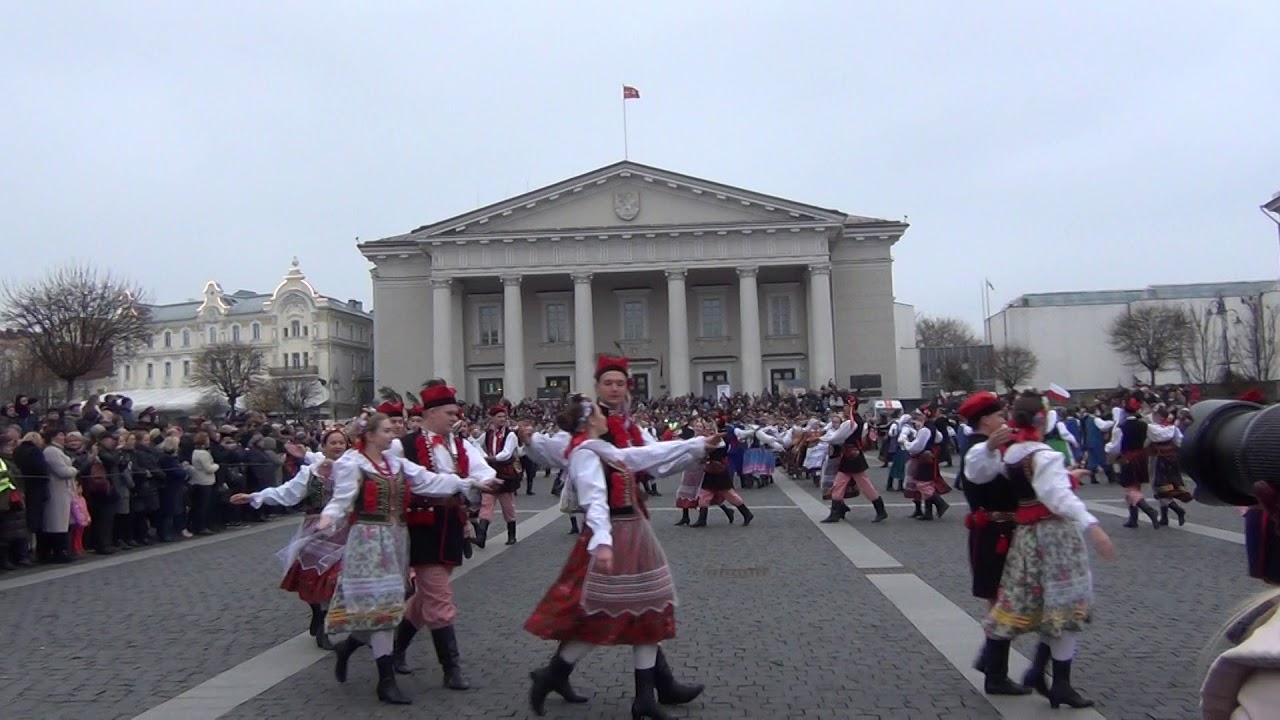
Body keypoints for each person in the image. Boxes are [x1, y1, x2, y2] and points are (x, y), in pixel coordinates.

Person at [523, 395, 716, 719]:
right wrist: (602, 541)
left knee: (647, 611)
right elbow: (595, 498)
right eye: (599, 412)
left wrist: (697, 445)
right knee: (607, 615)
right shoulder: (586, 454)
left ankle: (637, 696)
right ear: (588, 421)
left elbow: (642, 454)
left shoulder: (602, 449)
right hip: (617, 536)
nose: (605, 415)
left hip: (632, 533)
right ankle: (555, 674)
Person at [319, 412, 500, 705]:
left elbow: (430, 481)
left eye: (393, 430)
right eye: (388, 430)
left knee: (387, 606)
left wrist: (469, 484)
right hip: (367, 542)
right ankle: (386, 681)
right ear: (370, 435)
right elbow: (342, 499)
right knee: (384, 609)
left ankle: (350, 648)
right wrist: (328, 518)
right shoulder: (351, 463)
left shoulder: (396, 463)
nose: (394, 434)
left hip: (395, 540)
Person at [984, 391, 1116, 710]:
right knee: (1066, 609)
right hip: (1056, 538)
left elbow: (1039, 488)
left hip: (1027, 536)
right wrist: (1092, 525)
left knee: (1049, 609)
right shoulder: (1045, 454)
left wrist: (1067, 478)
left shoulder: (1013, 453)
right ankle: (1061, 684)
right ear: (1042, 420)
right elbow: (1057, 497)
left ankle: (1042, 675)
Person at [392, 382, 498, 690]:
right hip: (421, 524)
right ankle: (451, 668)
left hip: (451, 522)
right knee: (438, 596)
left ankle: (395, 650)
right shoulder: (404, 445)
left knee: (426, 595)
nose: (456, 417)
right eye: (450, 413)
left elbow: (481, 469)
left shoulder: (459, 444)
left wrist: (488, 481)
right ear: (432, 412)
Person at [231, 426, 349, 650]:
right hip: (317, 531)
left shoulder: (353, 470)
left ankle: (327, 619)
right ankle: (319, 614)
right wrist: (255, 497)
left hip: (345, 530)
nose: (337, 446)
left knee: (338, 578)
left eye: (341, 443)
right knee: (316, 576)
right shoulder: (310, 472)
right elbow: (286, 492)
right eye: (332, 442)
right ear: (323, 447)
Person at [955, 391, 1027, 696]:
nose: (1004, 420)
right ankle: (996, 674)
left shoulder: (994, 448)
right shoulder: (977, 450)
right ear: (985, 419)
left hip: (1005, 531)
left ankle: (990, 660)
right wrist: (989, 446)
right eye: (999, 415)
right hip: (993, 534)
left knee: (1005, 600)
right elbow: (976, 469)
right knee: (1001, 602)